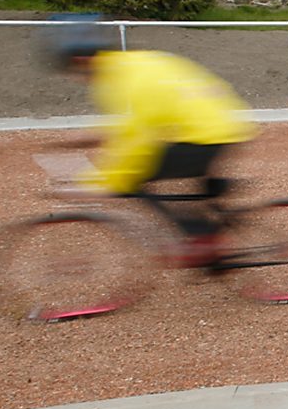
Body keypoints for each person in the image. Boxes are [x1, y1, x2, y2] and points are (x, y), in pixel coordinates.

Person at [51, 15, 256, 254]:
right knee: (177, 169)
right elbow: (138, 121)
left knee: (138, 178)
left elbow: (137, 139)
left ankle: (203, 238)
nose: (75, 77)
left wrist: (104, 182)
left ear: (81, 60)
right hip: (221, 122)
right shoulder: (129, 65)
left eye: (72, 70)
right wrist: (99, 137)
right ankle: (217, 194)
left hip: (208, 132)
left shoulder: (120, 79)